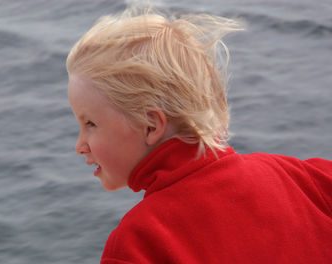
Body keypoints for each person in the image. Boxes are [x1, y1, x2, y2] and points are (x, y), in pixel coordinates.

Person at [66, 7, 332, 264]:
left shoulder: (137, 243)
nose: (80, 146)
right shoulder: (299, 176)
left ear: (150, 125)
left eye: (90, 123)